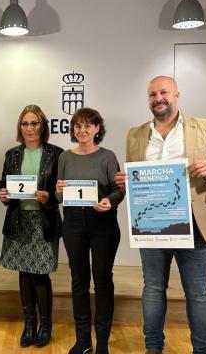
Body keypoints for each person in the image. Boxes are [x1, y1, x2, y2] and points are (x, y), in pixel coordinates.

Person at [115, 76, 206, 354]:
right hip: (150, 224)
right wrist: (127, 181)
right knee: (153, 289)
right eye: (152, 94)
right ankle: (153, 348)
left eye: (163, 92)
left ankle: (203, 351)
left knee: (197, 294)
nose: (158, 98)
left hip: (194, 224)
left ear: (177, 94)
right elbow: (136, 177)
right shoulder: (135, 134)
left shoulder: (205, 126)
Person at [56, 108, 124, 354]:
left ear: (97, 129)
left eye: (88, 126)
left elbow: (119, 190)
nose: (82, 130)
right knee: (79, 282)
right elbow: (58, 194)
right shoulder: (64, 157)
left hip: (102, 223)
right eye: (78, 126)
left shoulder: (108, 156)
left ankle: (103, 341)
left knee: (103, 280)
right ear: (73, 129)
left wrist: (110, 201)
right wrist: (59, 191)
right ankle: (83, 340)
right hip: (73, 224)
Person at [0, 105, 63, 348]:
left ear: (43, 126)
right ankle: (28, 324)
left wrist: (51, 198)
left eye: (34, 123)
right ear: (20, 127)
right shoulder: (12, 155)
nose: (30, 128)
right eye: (25, 123)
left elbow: (61, 191)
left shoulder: (57, 153)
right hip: (19, 220)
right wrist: (2, 194)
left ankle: (45, 326)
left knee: (41, 274)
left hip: (43, 221)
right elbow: (4, 185)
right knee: (23, 273)